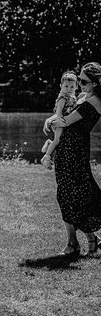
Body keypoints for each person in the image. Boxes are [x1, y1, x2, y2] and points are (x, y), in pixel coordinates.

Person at [43, 62, 101, 257]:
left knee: (74, 195)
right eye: (80, 80)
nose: (80, 84)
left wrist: (53, 121)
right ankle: (87, 240)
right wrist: (49, 119)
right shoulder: (84, 96)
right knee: (70, 194)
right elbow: (62, 115)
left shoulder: (95, 101)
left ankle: (74, 243)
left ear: (95, 83)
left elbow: (66, 121)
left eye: (84, 81)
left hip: (75, 153)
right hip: (65, 151)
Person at [40, 72, 78, 169]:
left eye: (72, 87)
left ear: (76, 87)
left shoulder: (72, 97)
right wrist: (60, 121)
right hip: (59, 120)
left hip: (64, 120)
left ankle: (49, 143)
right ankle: (46, 157)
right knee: (57, 140)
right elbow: (59, 111)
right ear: (61, 86)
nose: (69, 89)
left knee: (58, 141)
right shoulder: (63, 98)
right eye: (66, 86)